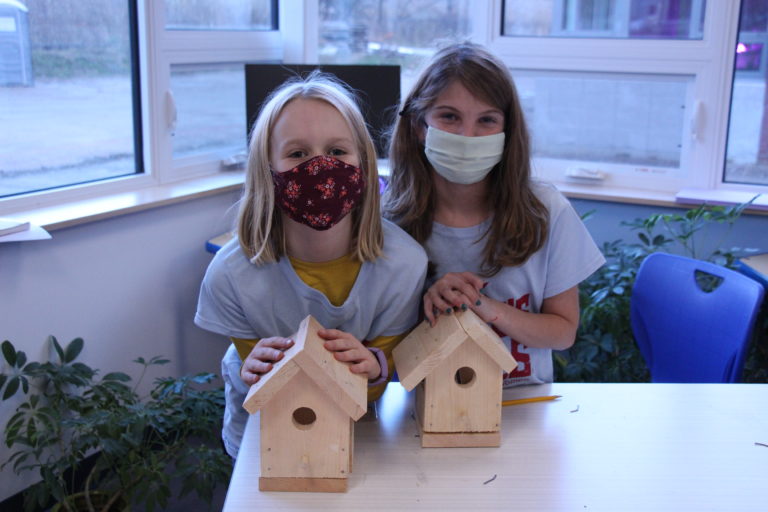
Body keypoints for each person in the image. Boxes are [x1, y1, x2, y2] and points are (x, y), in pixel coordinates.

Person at [195, 72, 427, 458]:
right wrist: (254, 371)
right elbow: (266, 393)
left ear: (365, 166)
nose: (320, 168)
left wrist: (372, 367)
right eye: (297, 154)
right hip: (263, 441)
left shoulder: (404, 265)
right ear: (266, 171)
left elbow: (373, 387)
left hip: (358, 438)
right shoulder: (230, 275)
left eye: (337, 152)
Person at [383, 42, 605, 387]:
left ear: (506, 131)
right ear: (419, 126)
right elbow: (383, 345)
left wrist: (481, 305)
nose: (467, 136)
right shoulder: (387, 222)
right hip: (428, 409)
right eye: (449, 116)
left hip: (526, 405)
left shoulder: (546, 212)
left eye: (486, 120)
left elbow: (562, 333)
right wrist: (432, 303)